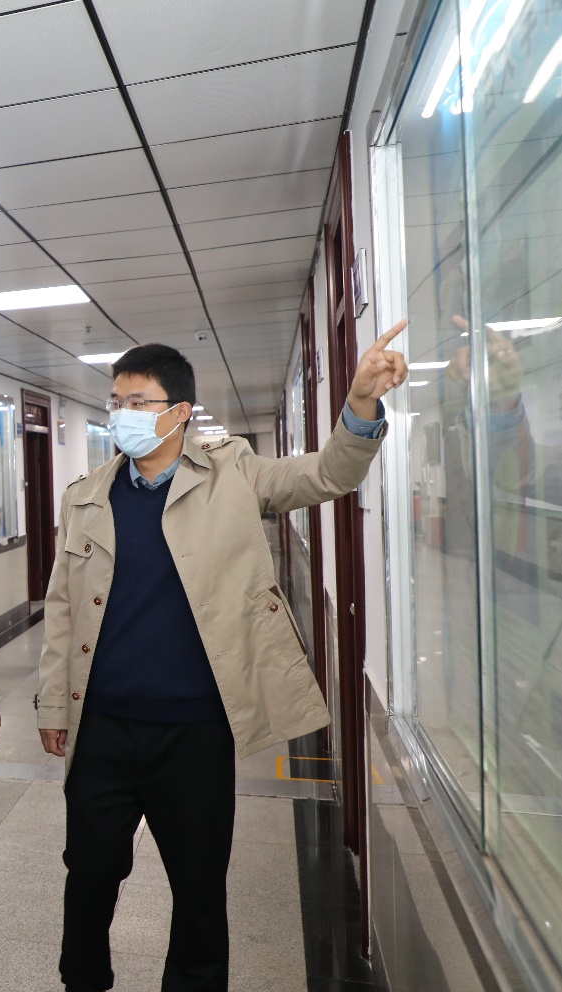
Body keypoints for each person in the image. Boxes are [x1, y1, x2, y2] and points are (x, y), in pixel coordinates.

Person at [37, 324, 409, 992]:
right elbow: (62, 607)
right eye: (115, 402)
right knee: (89, 871)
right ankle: (82, 980)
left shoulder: (233, 472)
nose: (120, 414)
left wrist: (359, 402)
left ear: (180, 411)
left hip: (195, 729)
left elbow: (329, 473)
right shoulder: (85, 496)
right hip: (103, 726)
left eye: (137, 402)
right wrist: (51, 704)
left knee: (198, 883)